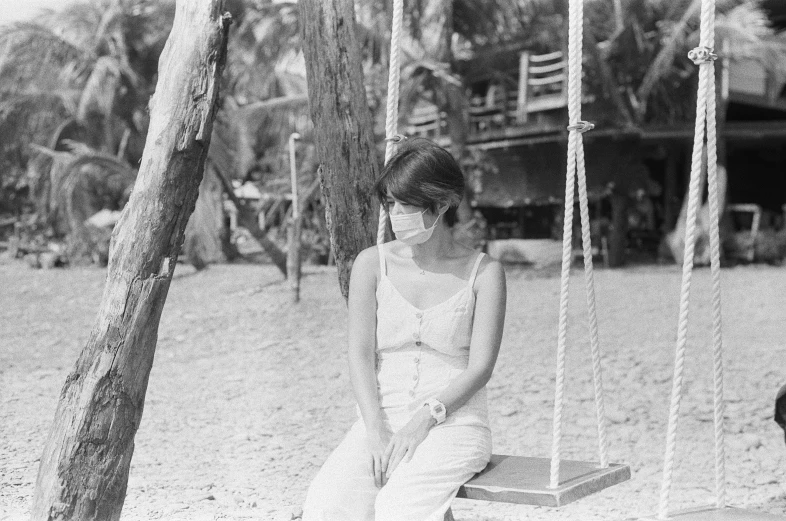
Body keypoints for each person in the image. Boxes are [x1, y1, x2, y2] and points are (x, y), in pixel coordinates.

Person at [302, 138, 507, 521]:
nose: (395, 214)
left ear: (443, 203)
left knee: (400, 508)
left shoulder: (485, 273)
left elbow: (481, 367)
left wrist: (424, 419)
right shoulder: (371, 264)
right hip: (381, 417)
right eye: (390, 204)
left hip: (454, 423)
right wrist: (375, 429)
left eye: (406, 204)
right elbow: (359, 355)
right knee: (327, 504)